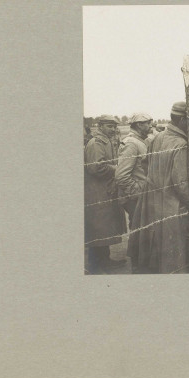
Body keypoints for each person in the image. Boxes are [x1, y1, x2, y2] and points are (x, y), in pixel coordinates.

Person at [129, 102, 189, 274]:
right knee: (173, 255)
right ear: (181, 120)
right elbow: (182, 184)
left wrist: (157, 181)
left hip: (153, 201)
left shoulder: (158, 137)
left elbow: (145, 164)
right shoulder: (181, 144)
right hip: (172, 205)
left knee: (156, 249)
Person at [84, 115, 126, 274]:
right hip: (96, 191)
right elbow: (95, 168)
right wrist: (116, 169)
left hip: (104, 190)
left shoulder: (106, 141)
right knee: (99, 225)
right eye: (110, 126)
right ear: (100, 126)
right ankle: (96, 263)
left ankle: (104, 259)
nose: (114, 130)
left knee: (104, 225)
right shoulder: (96, 143)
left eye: (115, 127)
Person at [115, 112, 152, 269]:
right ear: (138, 125)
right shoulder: (131, 144)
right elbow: (121, 175)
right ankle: (137, 267)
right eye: (147, 123)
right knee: (138, 230)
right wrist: (138, 192)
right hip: (135, 197)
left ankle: (141, 263)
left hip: (139, 195)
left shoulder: (140, 141)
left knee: (142, 230)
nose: (150, 126)